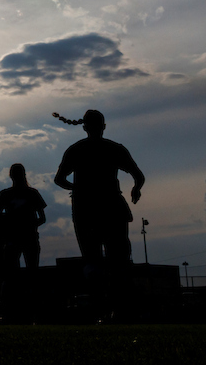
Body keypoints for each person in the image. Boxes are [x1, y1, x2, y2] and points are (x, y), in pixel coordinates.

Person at [53, 109, 144, 306]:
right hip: (111, 207)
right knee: (118, 258)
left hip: (86, 209)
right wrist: (136, 189)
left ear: (84, 128)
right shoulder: (115, 149)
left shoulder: (76, 150)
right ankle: (120, 303)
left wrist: (77, 188)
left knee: (93, 259)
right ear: (103, 127)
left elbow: (59, 179)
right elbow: (138, 176)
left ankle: (100, 304)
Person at [0, 163, 47, 269]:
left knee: (14, 270)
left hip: (17, 237)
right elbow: (42, 218)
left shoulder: (5, 194)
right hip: (25, 237)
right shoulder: (32, 193)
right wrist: (30, 226)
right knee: (31, 269)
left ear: (10, 175)